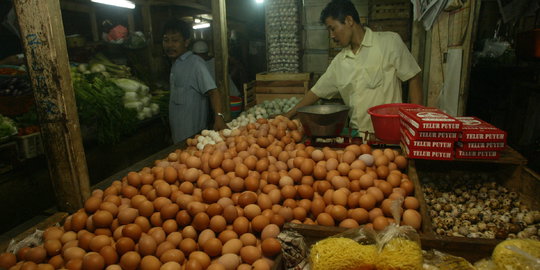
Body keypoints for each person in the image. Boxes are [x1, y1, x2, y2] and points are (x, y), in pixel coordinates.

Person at [285, 0, 423, 133]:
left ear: (349, 21)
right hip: (358, 137)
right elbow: (316, 92)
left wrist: (415, 123)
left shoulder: (389, 43)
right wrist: (288, 115)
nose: (332, 36)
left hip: (388, 134)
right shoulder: (340, 62)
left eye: (333, 28)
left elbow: (413, 77)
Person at [162, 19, 226, 144]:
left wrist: (219, 117)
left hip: (193, 137)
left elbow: (213, 92)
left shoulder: (195, 63)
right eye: (166, 40)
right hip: (178, 135)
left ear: (186, 42)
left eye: (175, 40)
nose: (169, 45)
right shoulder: (175, 63)